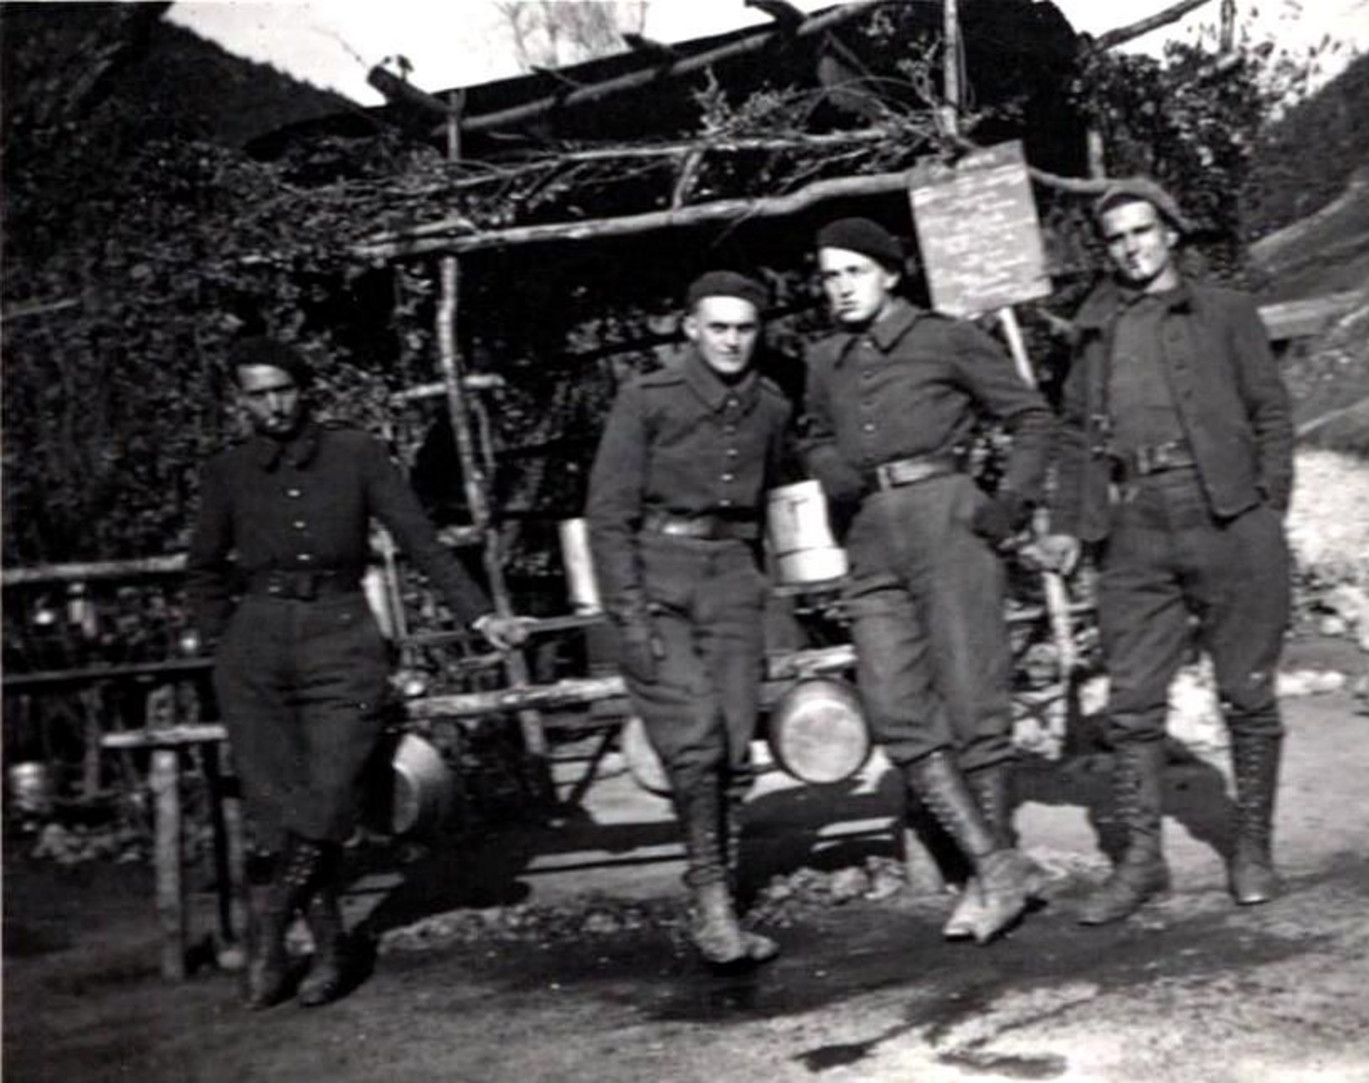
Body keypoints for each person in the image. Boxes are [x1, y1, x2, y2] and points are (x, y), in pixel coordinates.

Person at [187, 337, 535, 1009]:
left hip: (342, 638)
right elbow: (203, 568)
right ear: (241, 401)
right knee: (275, 803)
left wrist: (480, 617)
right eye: (257, 395)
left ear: (304, 388)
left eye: (282, 390)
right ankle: (328, 949)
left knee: (330, 793)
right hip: (255, 646)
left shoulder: (356, 453)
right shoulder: (227, 471)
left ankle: (268, 925)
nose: (273, 405)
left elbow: (420, 541)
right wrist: (222, 641)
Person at [1033, 180, 1295, 923]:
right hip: (1135, 527)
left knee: (1244, 691)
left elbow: (1270, 410)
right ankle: (1142, 862)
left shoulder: (1226, 312)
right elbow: (1074, 435)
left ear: (1170, 233)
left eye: (1142, 232)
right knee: (1131, 704)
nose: (1130, 249)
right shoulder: (1092, 329)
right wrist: (1066, 522)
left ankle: (1251, 847)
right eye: (1115, 239)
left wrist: (1265, 508)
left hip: (1225, 515)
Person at [800, 217, 1054, 945]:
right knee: (893, 709)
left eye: (853, 271)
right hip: (869, 536)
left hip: (948, 519)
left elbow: (1031, 417)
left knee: (975, 703)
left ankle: (986, 880)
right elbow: (813, 434)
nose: (840, 288)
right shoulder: (825, 359)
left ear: (890, 274)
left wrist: (1009, 503)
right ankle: (997, 865)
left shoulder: (945, 339)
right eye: (829, 275)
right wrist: (828, 469)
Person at [585, 271, 793, 965]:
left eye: (744, 328)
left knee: (732, 747)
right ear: (691, 328)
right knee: (696, 735)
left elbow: (770, 505)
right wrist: (630, 613)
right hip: (658, 575)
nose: (732, 340)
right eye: (719, 326)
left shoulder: (769, 404)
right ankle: (712, 908)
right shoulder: (647, 397)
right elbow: (608, 516)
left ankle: (717, 901)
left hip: (732, 578)